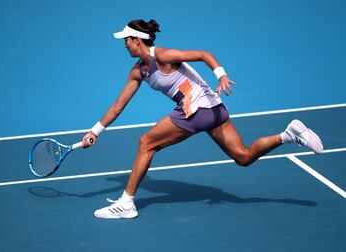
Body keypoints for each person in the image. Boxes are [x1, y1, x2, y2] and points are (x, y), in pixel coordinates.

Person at [81, 19, 324, 219]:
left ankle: (126, 203)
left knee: (146, 143)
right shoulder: (138, 71)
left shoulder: (164, 55)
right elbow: (117, 106)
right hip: (214, 109)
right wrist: (95, 131)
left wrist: (221, 75)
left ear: (137, 40)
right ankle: (289, 134)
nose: (124, 45)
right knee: (243, 156)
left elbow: (203, 54)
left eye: (126, 40)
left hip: (197, 109)